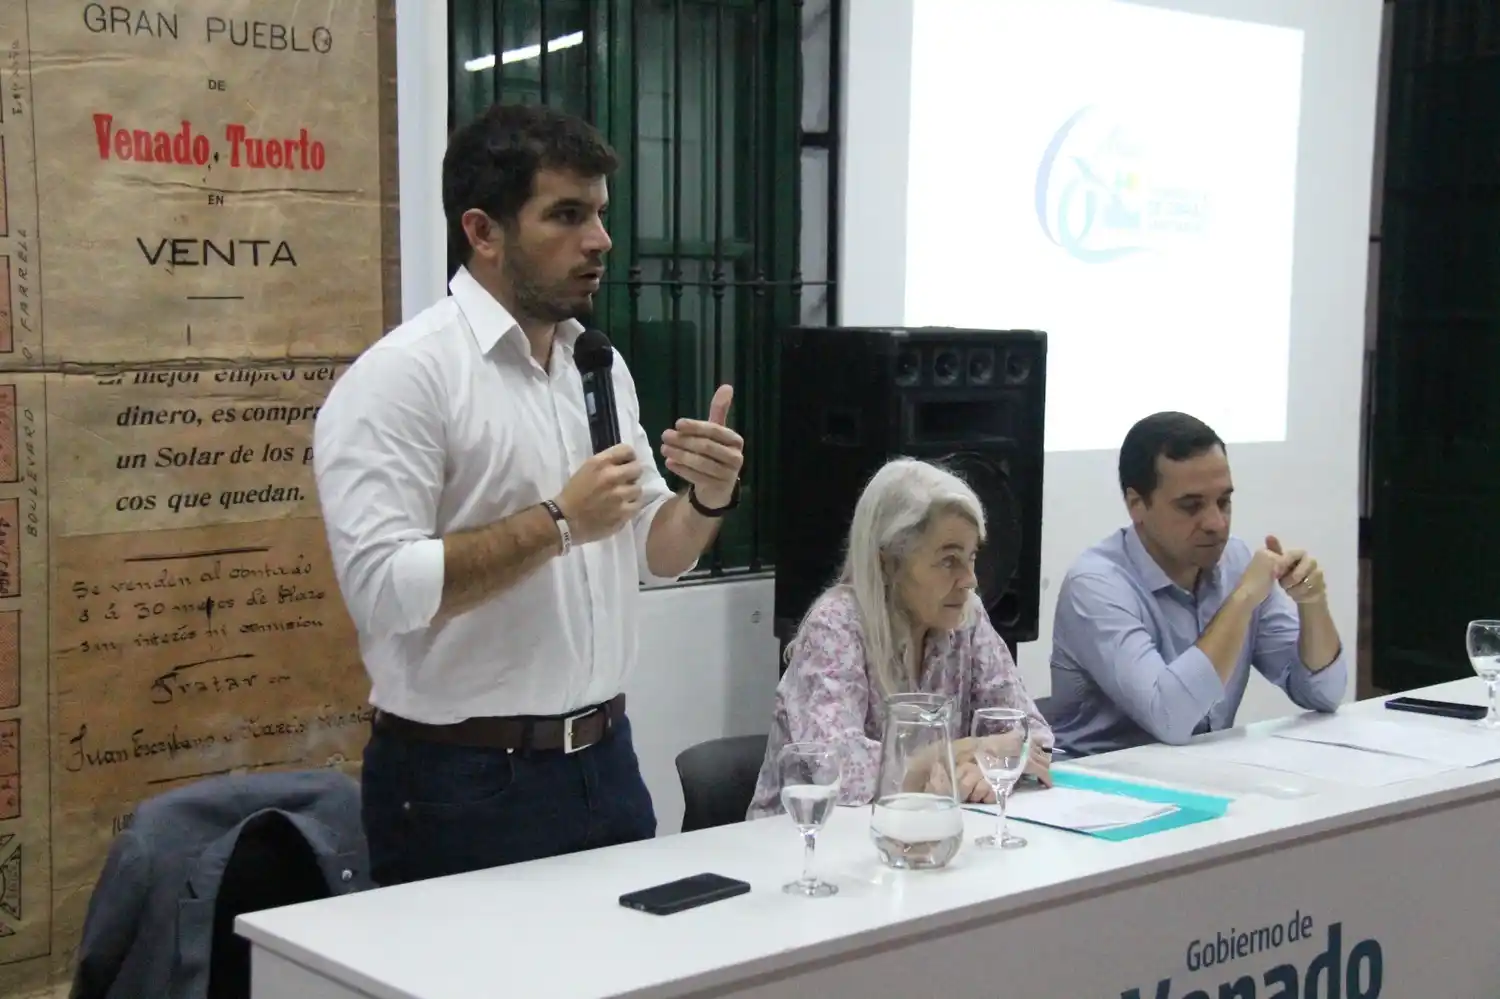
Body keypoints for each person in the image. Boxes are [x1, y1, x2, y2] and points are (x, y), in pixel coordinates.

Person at [313, 103, 745, 885]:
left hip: (607, 760)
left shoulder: (597, 365)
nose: (600, 240)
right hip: (462, 782)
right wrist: (559, 522)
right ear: (483, 232)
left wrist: (705, 499)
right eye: (567, 215)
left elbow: (654, 550)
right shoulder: (404, 377)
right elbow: (380, 591)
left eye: (601, 214)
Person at [748, 458, 1052, 820]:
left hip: (917, 830)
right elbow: (841, 771)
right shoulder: (834, 625)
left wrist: (987, 769)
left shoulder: (966, 616)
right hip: (802, 839)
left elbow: (1034, 735)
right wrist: (966, 751)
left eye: (971, 557)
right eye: (949, 560)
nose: (970, 579)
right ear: (889, 561)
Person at [1048, 412, 1347, 757]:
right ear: (1136, 505)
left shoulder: (1236, 561)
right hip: (1095, 779)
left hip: (1201, 771)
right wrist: (1242, 600)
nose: (1216, 523)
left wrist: (1312, 603)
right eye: (1191, 506)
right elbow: (1170, 718)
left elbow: (1324, 694)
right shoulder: (1095, 584)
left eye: (1224, 502)